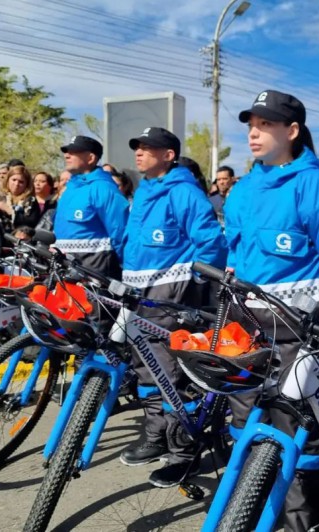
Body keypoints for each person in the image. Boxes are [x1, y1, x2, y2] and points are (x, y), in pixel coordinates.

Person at [226, 90, 319, 530]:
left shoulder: (315, 187)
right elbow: (233, 253)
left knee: (299, 433)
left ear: (291, 132)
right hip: (244, 329)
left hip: (299, 335)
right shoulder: (243, 190)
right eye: (251, 123)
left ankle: (299, 522)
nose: (254, 132)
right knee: (243, 419)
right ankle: (248, 508)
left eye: (266, 124)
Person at [118, 127, 227, 488]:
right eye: (138, 146)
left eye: (149, 147)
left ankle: (183, 453)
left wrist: (192, 284)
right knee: (145, 366)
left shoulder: (183, 192)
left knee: (171, 373)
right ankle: (155, 436)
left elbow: (210, 242)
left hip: (170, 290)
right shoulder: (143, 191)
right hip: (138, 289)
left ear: (169, 155)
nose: (140, 152)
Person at [53, 136, 129, 278]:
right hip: (65, 268)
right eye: (66, 151)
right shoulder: (70, 189)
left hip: (95, 270)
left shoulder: (104, 188)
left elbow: (120, 232)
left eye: (74, 151)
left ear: (91, 158)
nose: (67, 155)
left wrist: (124, 268)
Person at [0, 166, 41, 233]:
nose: (16, 184)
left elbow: (31, 223)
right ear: (8, 180)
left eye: (21, 182)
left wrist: (9, 210)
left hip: (19, 240)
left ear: (26, 184)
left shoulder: (31, 201)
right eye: (14, 180)